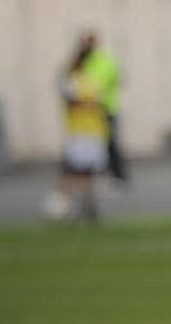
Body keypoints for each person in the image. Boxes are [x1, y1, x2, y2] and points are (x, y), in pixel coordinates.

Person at [44, 35, 110, 222]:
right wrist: (88, 104)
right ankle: (60, 206)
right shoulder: (71, 80)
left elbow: (98, 102)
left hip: (94, 131)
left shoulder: (90, 81)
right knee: (72, 171)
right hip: (79, 133)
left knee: (88, 171)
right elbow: (71, 101)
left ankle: (88, 206)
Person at [80, 30, 129, 182]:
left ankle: (119, 174)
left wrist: (93, 92)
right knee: (93, 143)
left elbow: (109, 80)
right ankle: (100, 172)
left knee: (111, 142)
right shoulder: (83, 61)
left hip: (106, 107)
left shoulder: (105, 60)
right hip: (89, 109)